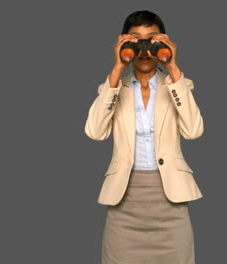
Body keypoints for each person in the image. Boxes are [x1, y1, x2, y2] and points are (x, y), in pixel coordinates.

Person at [84, 10, 204, 264]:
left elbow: (194, 131)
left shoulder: (179, 85)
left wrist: (172, 67)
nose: (145, 49)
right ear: (125, 43)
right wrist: (117, 69)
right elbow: (95, 132)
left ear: (163, 41)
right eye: (136, 40)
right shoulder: (114, 89)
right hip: (124, 202)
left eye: (152, 40)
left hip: (170, 200)